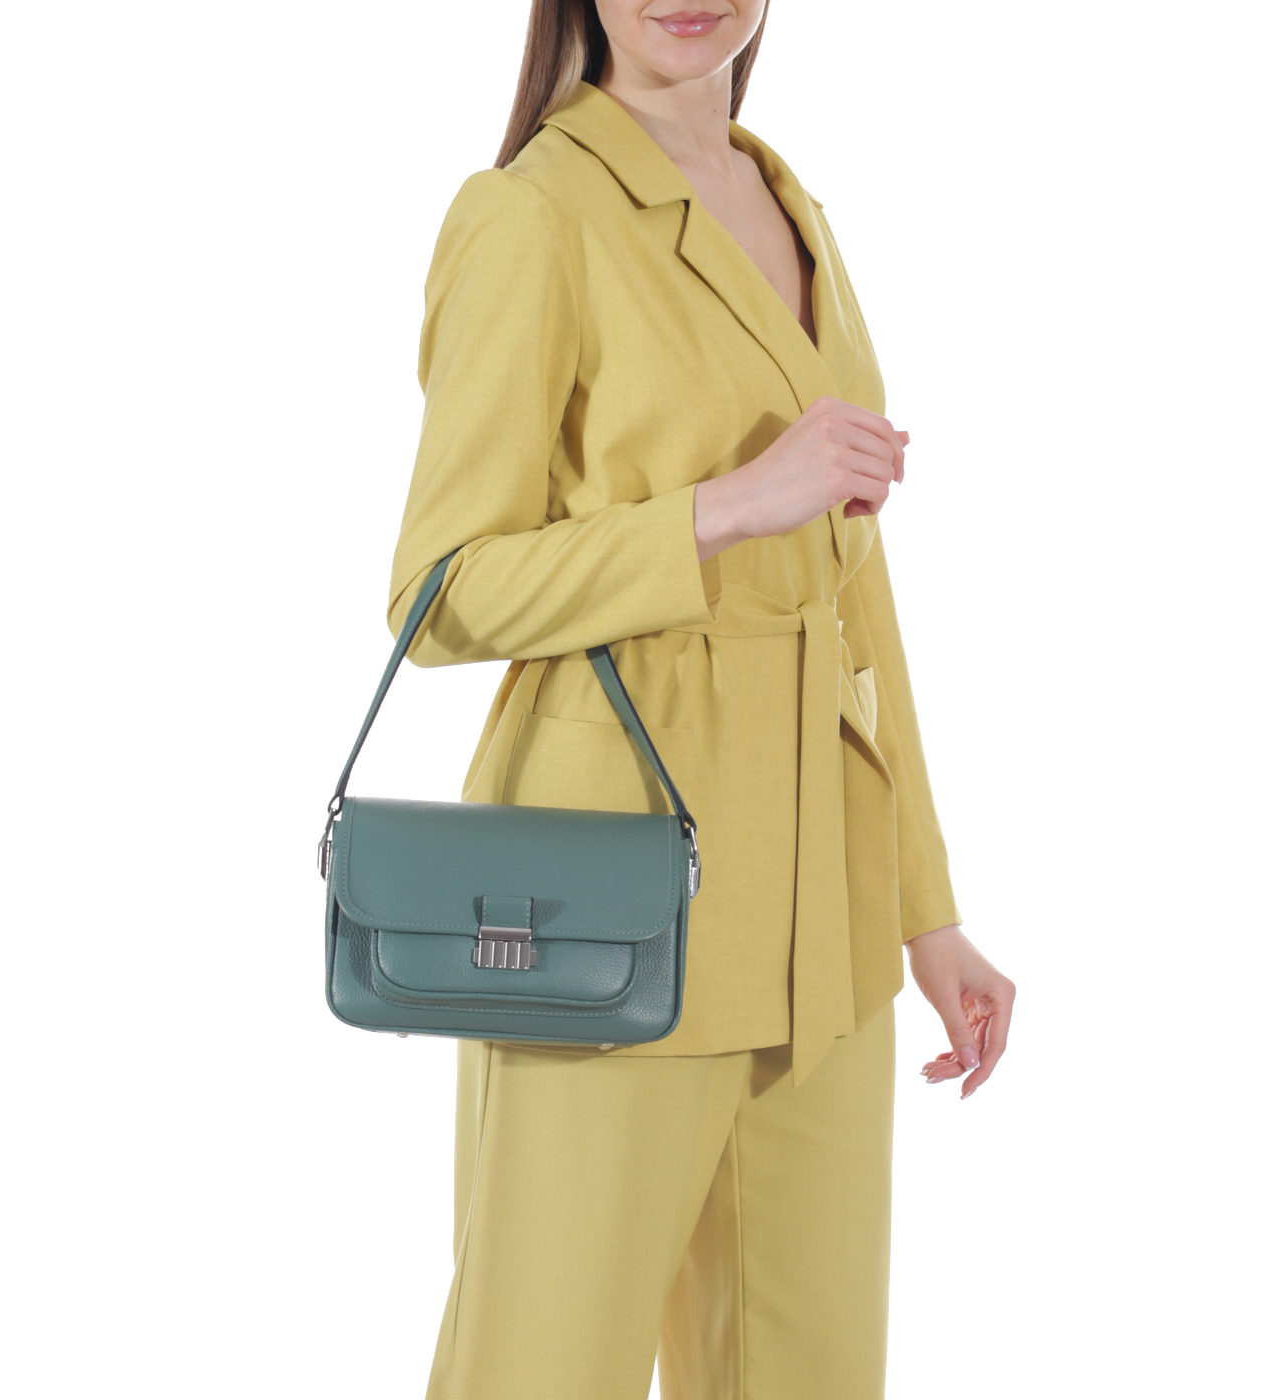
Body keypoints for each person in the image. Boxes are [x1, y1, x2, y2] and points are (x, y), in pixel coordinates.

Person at [385, 3, 1015, 1396]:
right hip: (607, 904)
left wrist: (926, 912)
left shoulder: (796, 207)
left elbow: (853, 592)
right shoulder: (530, 213)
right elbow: (440, 592)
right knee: (543, 1368)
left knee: (811, 1373)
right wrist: (722, 509)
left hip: (823, 917)